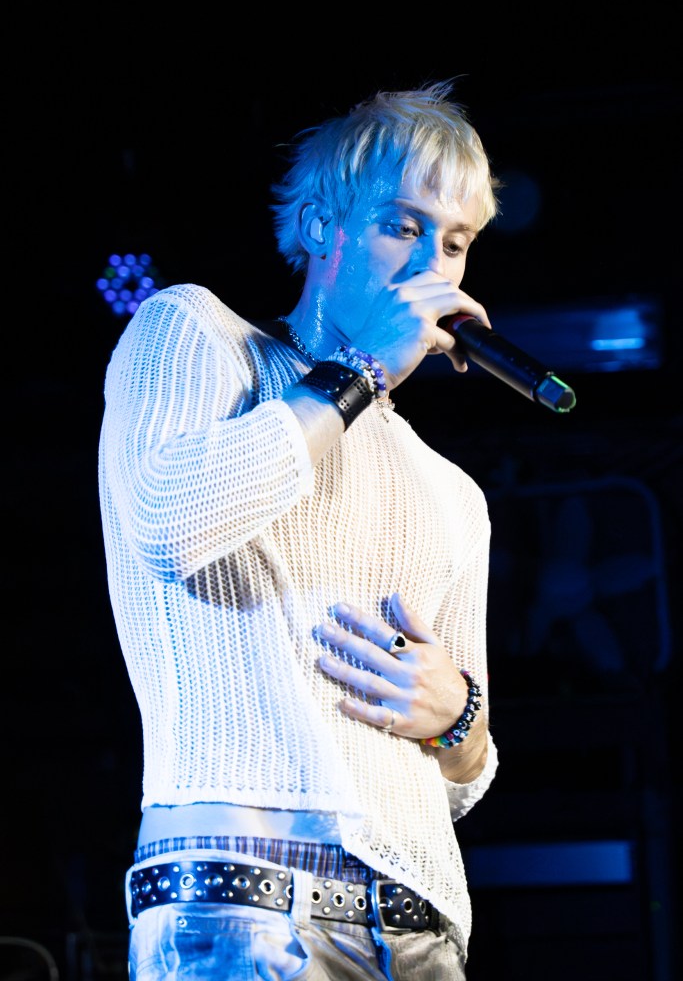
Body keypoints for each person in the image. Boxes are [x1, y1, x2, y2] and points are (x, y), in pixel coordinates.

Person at [98, 79, 501, 980]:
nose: (430, 264)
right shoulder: (194, 334)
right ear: (322, 227)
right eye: (401, 225)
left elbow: (463, 778)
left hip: (422, 929)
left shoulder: (452, 492)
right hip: (245, 903)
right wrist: (359, 370)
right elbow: (170, 522)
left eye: (453, 242)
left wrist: (458, 721)